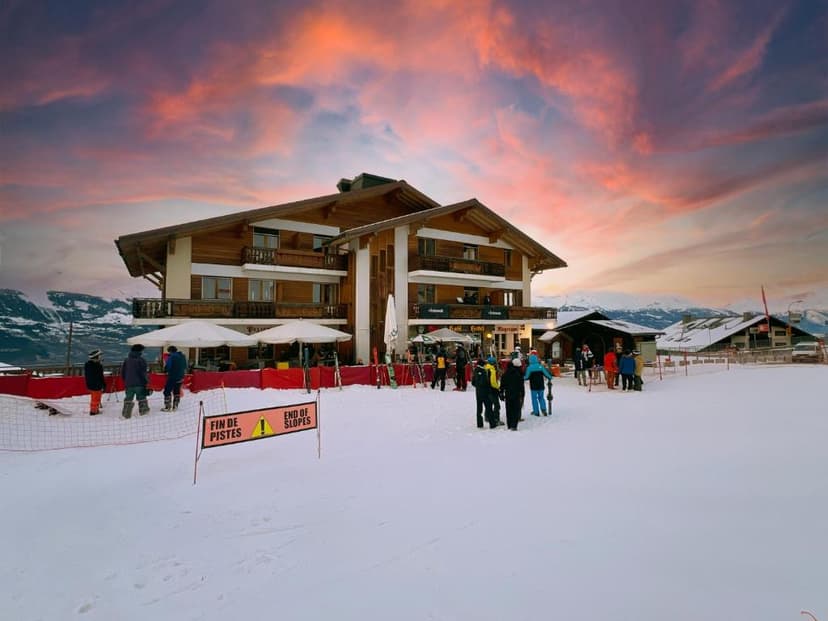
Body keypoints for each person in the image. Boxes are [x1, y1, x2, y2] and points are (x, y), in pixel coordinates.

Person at [121, 343, 150, 418]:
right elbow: (143, 373)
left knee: (128, 399)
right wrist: (146, 382)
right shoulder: (141, 360)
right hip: (139, 383)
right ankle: (144, 413)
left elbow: (123, 372)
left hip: (129, 383)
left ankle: (126, 414)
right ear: (140, 351)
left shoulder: (127, 360)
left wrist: (126, 380)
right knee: (142, 398)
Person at [499, 357, 525, 430]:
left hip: (508, 394)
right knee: (515, 409)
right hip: (516, 394)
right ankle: (514, 425)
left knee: (509, 410)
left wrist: (501, 393)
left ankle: (509, 424)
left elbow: (502, 385)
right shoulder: (517, 374)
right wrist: (522, 393)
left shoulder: (505, 374)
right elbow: (520, 385)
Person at [161, 345, 187, 411]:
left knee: (167, 391)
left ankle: (167, 407)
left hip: (172, 377)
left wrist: (165, 370)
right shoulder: (183, 356)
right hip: (181, 377)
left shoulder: (171, 357)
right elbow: (185, 366)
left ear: (170, 351)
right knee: (177, 391)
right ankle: (175, 406)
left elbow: (168, 366)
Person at [83, 349, 106, 416]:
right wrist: (103, 384)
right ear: (96, 357)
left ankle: (95, 409)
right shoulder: (97, 366)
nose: (100, 357)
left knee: (95, 398)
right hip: (96, 385)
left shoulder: (88, 365)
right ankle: (93, 411)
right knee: (95, 399)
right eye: (99, 356)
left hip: (91, 385)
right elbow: (100, 376)